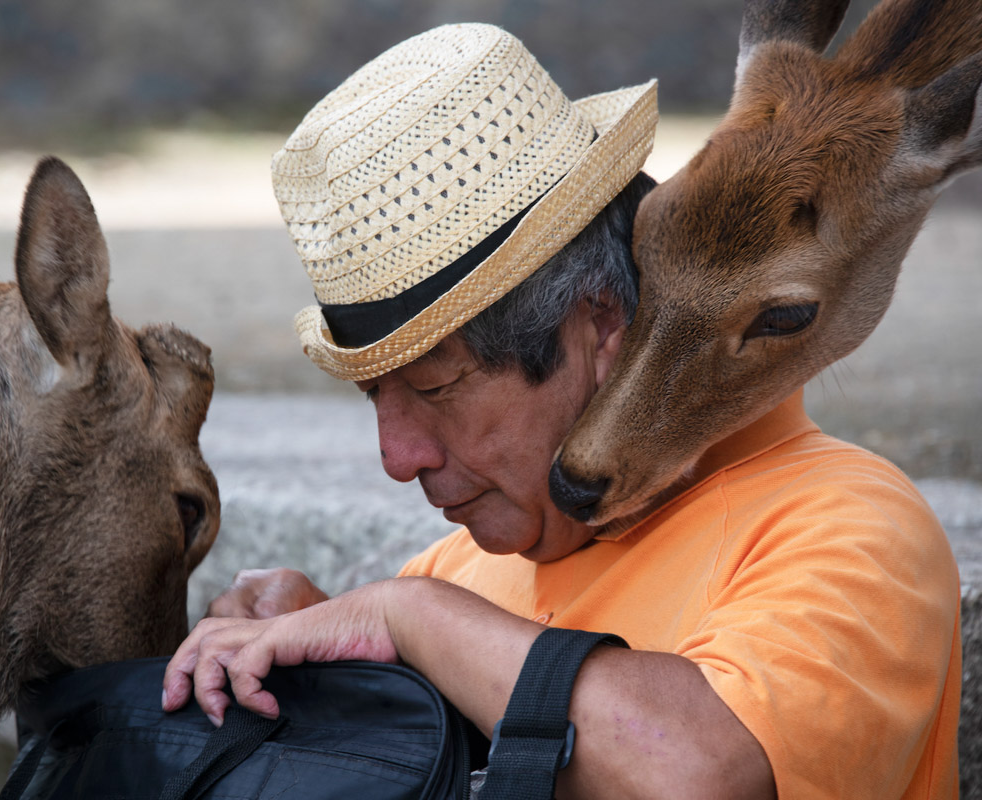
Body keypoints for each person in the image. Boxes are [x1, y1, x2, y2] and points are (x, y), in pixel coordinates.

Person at [161, 23, 961, 799]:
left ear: (602, 324)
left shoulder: (849, 526)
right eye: (377, 396)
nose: (397, 457)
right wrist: (320, 673)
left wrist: (408, 618)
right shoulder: (459, 576)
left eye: (437, 387)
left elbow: (703, 779)